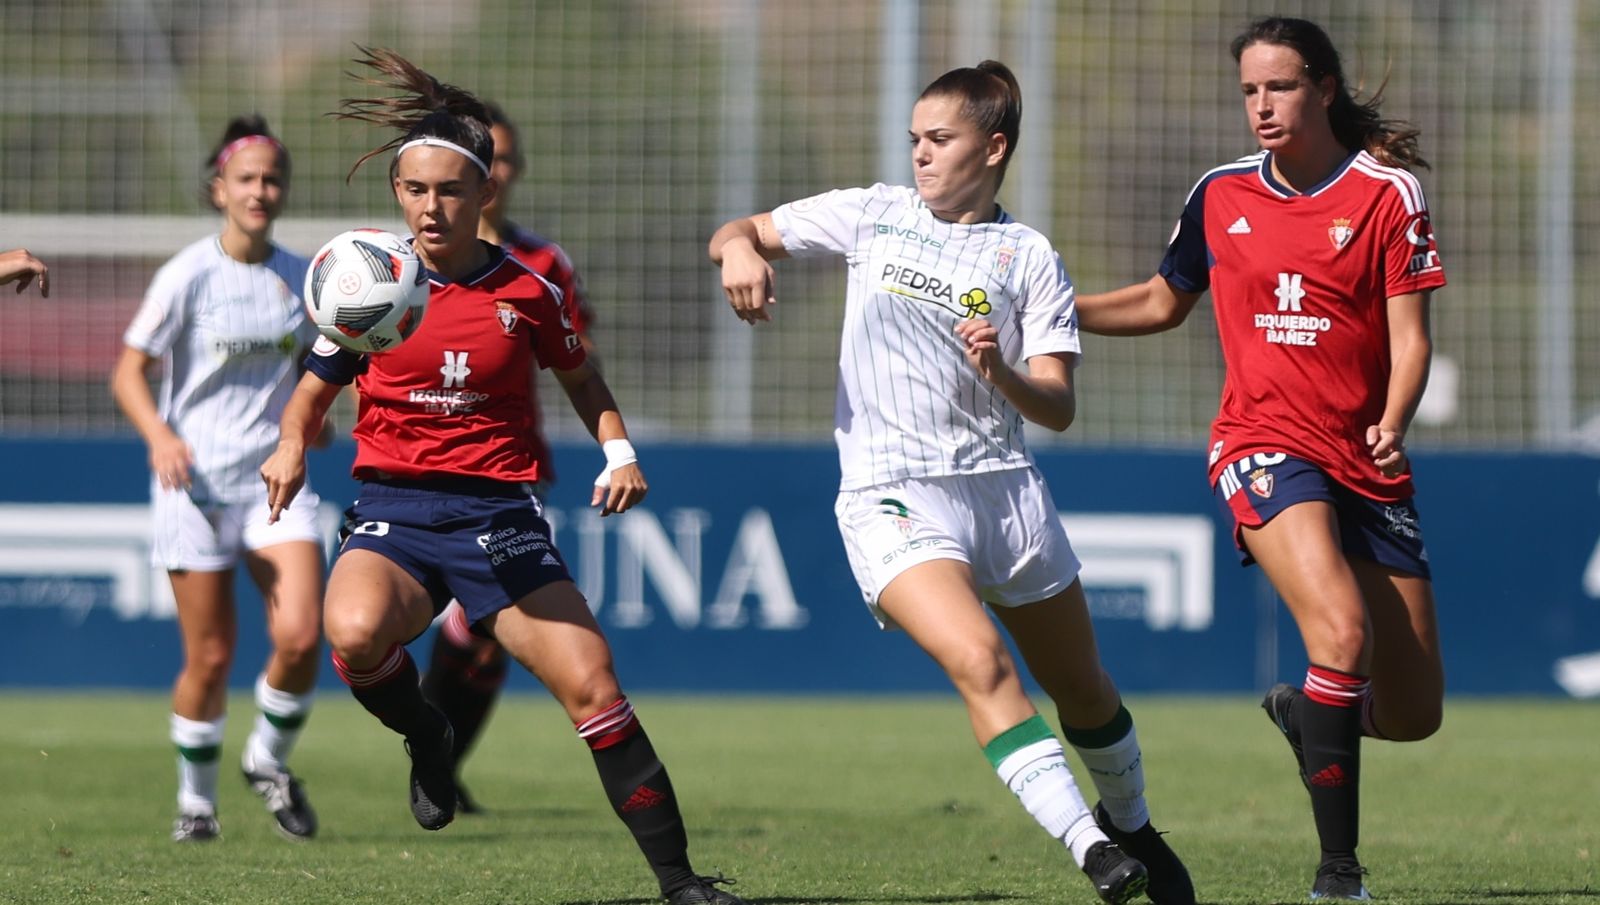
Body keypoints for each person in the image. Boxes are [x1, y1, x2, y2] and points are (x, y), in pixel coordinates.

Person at [259, 48, 744, 905]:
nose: (431, 206)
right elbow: (310, 391)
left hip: (498, 515)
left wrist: (620, 450)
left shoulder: (528, 290)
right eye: (415, 190)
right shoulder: (371, 284)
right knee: (355, 632)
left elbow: (583, 378)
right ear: (397, 196)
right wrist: (293, 444)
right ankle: (428, 735)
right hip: (396, 510)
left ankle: (681, 884)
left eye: (450, 189)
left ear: (485, 193)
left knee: (594, 686)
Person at [709, 60, 1194, 905]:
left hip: (1005, 492)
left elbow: (1059, 406)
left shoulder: (1028, 255)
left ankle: (1134, 822)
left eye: (940, 139)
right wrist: (740, 251)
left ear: (993, 147)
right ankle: (1092, 847)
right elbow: (733, 229)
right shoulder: (874, 214)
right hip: (889, 489)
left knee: (1084, 690)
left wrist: (1002, 372)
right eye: (914, 140)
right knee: (977, 657)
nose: (921, 156)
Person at [1073, 17, 1446, 901]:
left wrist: (1394, 416)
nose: (1261, 106)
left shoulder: (1386, 195)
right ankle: (1338, 874)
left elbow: (1412, 340)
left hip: (1368, 458)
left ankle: (1304, 710)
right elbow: (1165, 301)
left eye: (1278, 87)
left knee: (1412, 713)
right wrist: (1057, 308)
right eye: (1249, 91)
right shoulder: (1220, 193)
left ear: (1322, 87)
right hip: (1263, 443)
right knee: (1341, 630)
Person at [110, 116, 325, 843]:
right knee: (210, 655)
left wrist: (311, 423)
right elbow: (129, 370)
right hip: (195, 487)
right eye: (247, 178)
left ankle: (266, 759)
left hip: (275, 485)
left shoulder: (302, 278)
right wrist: (160, 434)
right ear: (218, 190)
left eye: (271, 178)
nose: (260, 189)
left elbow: (316, 377)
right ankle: (195, 804)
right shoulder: (187, 275)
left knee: (301, 636)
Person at [418, 101, 598, 814]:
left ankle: (444, 768)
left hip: (514, 467)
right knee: (471, 623)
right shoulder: (405, 264)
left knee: (488, 641)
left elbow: (575, 358)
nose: (501, 170)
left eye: (506, 160)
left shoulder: (544, 263)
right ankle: (431, 754)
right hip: (429, 471)